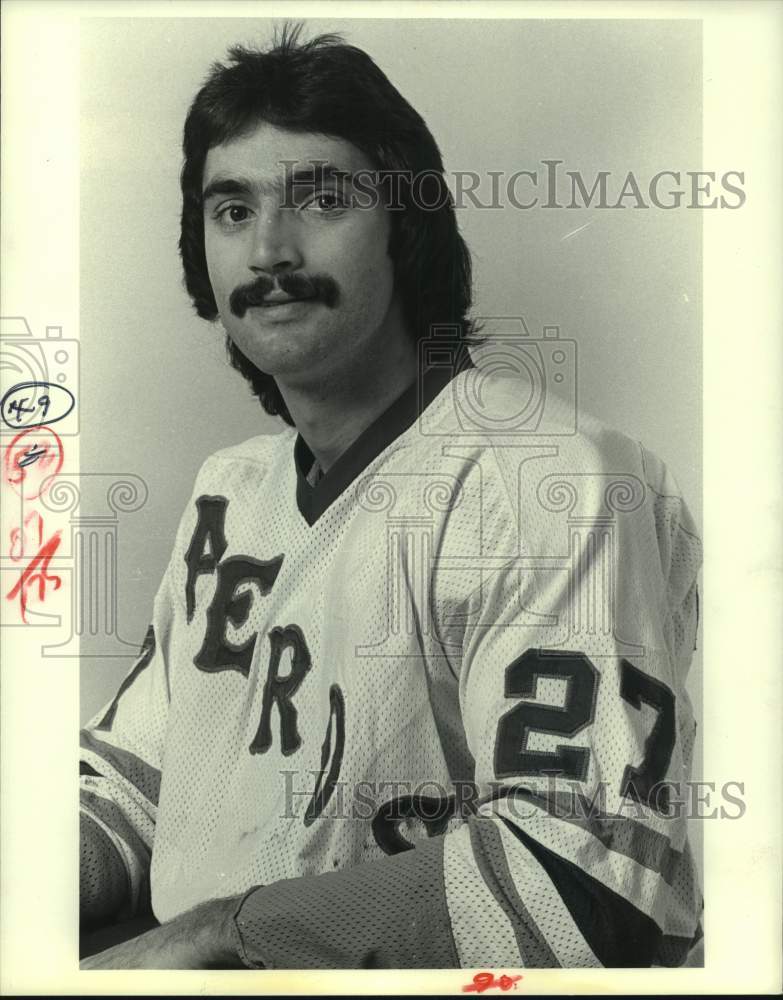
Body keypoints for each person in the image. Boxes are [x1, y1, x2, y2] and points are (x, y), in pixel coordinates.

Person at [79, 24, 703, 969]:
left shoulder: (554, 480)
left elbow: (579, 886)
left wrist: (221, 933)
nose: (270, 251)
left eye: (321, 198)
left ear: (406, 227)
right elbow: (132, 790)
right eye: (231, 210)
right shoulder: (232, 491)